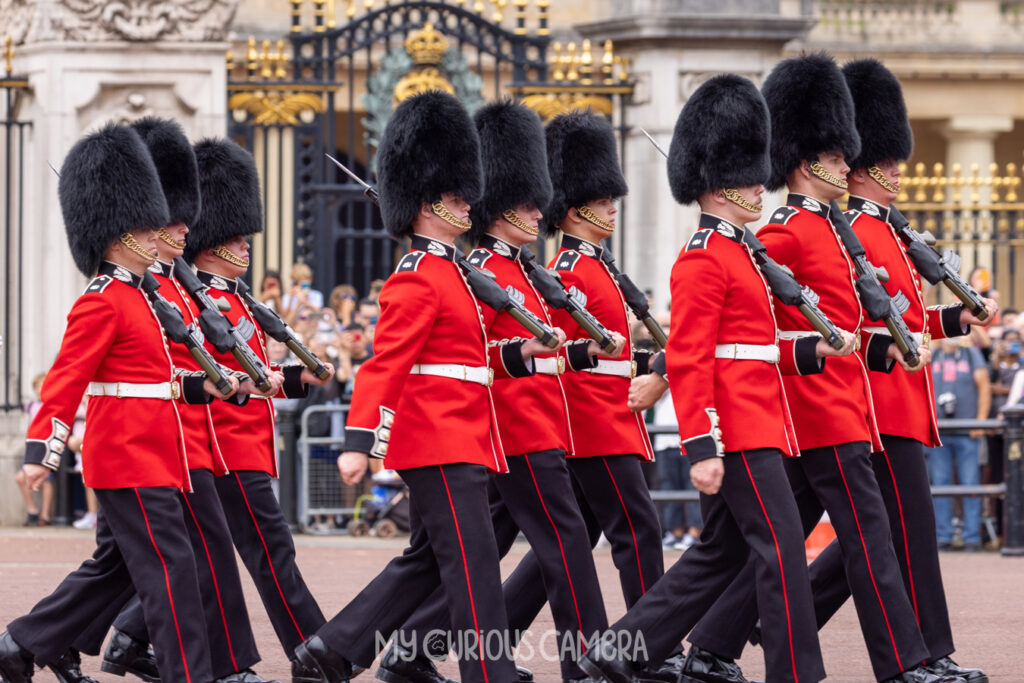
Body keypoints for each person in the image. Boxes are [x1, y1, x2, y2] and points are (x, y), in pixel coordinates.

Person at [684, 53, 945, 683]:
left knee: (787, 544)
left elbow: (850, 326)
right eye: (835, 158)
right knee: (867, 540)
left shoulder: (834, 230)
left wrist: (919, 334)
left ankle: (712, 645)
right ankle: (908, 663)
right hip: (814, 406)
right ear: (807, 161)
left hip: (840, 399)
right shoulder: (783, 234)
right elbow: (742, 328)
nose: (846, 167)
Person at [580, 72, 846, 683]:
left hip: (761, 420)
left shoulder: (744, 253)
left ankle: (617, 652)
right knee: (779, 554)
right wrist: (701, 443)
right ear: (722, 186)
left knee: (718, 552)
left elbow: (751, 347)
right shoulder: (702, 258)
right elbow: (694, 355)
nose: (761, 184)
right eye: (750, 177)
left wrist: (810, 351)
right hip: (737, 430)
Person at [294, 91, 551, 683]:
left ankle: (332, 651)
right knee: (474, 562)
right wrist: (359, 441)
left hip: (464, 433)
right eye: (459, 199)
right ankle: (490, 672)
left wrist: (523, 352)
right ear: (429, 204)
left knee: (431, 560)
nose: (469, 206)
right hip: (437, 438)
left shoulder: (456, 273)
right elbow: (387, 363)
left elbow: (472, 358)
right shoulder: (417, 278)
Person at [377, 99, 618, 683]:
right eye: (526, 201)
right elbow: (456, 357)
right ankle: (589, 662)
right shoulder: (475, 267)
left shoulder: (509, 269)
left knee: (465, 556)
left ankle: (406, 651)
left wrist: (583, 349)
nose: (539, 211)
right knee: (556, 541)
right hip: (508, 426)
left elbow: (513, 353)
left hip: (516, 425)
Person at [0, 122, 237, 683]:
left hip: (159, 451)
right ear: (119, 236)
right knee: (173, 572)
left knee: (120, 567)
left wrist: (215, 386)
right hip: (129, 456)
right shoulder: (103, 301)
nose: (159, 236)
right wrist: (41, 451)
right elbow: (65, 379)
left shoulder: (144, 298)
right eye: (146, 228)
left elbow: (158, 381)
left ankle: (23, 643)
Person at [793, 59, 992, 683]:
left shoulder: (889, 234)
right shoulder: (853, 231)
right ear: (860, 166)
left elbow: (905, 322)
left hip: (898, 398)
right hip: (876, 402)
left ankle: (761, 622)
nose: (899, 171)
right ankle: (930, 652)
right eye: (890, 161)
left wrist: (957, 321)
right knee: (903, 538)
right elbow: (866, 328)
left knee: (880, 540)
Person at [184, 137, 335, 679]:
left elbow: (256, 377)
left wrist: (302, 378)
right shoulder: (203, 300)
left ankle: (129, 636)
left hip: (243, 443)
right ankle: (316, 649)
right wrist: (278, 381)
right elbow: (220, 380)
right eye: (235, 236)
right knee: (271, 553)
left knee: (206, 556)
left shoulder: (236, 297)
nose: (246, 245)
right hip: (226, 447)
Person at [928, 338, 991, 551]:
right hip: (938, 433)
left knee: (970, 484)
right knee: (939, 483)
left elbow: (984, 387)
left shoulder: (971, 354)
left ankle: (972, 537)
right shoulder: (933, 355)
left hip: (967, 431)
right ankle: (943, 536)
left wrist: (981, 421)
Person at [16, 373, 55, 527]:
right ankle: (32, 510)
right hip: (33, 448)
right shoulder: (31, 405)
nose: (40, 390)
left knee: (47, 481)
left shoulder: (51, 404)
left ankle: (45, 514)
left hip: (47, 446)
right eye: (38, 387)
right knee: (20, 477)